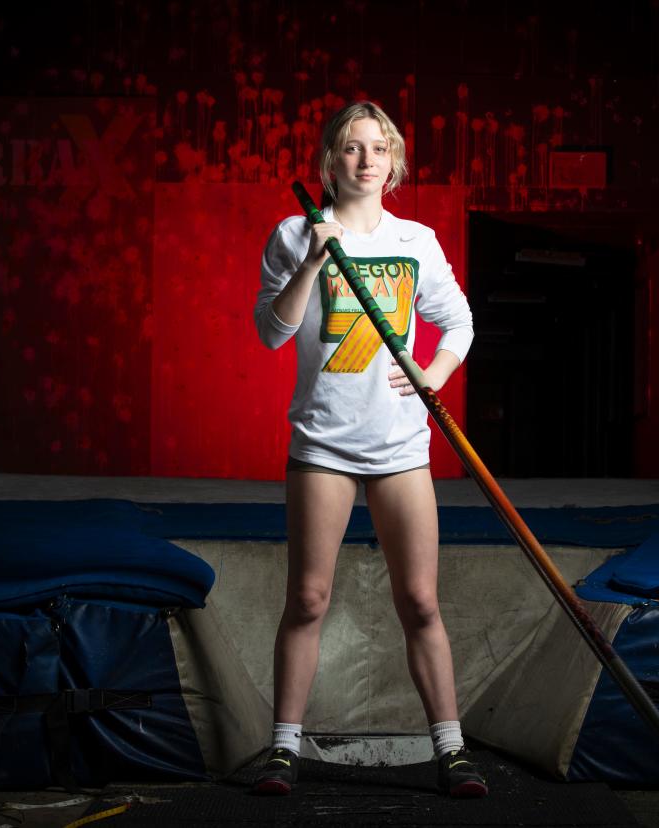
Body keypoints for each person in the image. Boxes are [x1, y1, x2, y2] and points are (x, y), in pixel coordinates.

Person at [251, 101, 487, 798]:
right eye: (351, 149)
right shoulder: (295, 233)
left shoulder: (416, 240)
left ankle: (451, 750)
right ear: (329, 161)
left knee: (419, 600)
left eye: (378, 149)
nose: (364, 160)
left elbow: (458, 320)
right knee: (309, 597)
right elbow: (270, 332)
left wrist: (432, 373)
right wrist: (315, 259)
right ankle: (283, 751)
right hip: (322, 445)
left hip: (400, 448)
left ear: (394, 163)